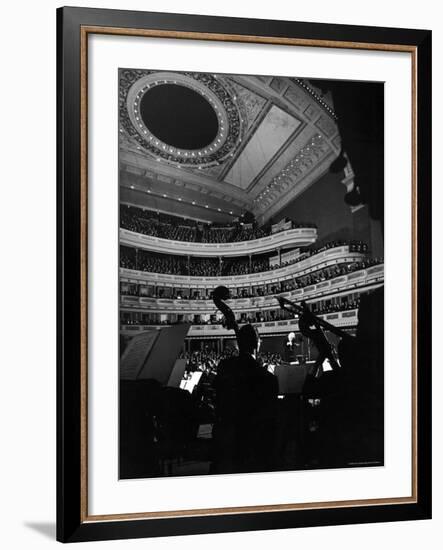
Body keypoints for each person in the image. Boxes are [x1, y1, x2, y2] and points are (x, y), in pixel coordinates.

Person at [211, 324, 279, 474]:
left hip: (224, 440)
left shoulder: (224, 366)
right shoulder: (268, 378)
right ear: (257, 344)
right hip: (252, 445)